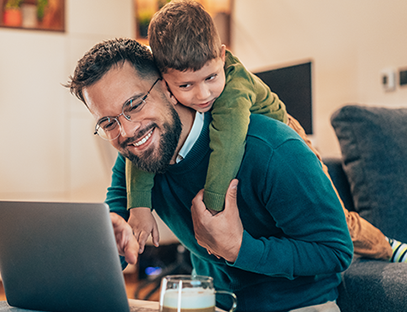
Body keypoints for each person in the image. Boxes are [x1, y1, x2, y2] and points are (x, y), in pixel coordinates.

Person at [67, 37, 353, 312]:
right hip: (207, 308)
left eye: (135, 104)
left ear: (167, 88)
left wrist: (239, 247)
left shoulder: (271, 148)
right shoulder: (135, 160)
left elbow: (335, 251)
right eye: (108, 123)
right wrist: (110, 242)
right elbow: (115, 232)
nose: (127, 130)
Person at [126, 0, 407, 262]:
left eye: (211, 77)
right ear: (163, 80)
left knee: (337, 217)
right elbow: (145, 146)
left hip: (288, 142)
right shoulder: (164, 99)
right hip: (253, 160)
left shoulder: (233, 91)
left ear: (222, 56)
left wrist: (212, 209)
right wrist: (138, 206)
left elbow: (228, 144)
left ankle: (388, 246)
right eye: (186, 85)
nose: (203, 94)